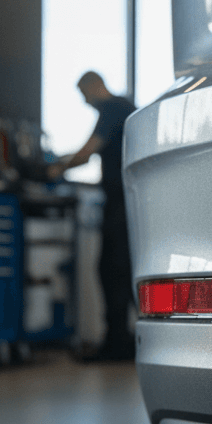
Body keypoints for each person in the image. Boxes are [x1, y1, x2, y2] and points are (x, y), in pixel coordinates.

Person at [48, 72, 136, 361]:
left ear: (94, 86)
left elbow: (87, 153)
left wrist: (56, 168)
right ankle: (124, 339)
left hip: (122, 202)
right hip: (129, 200)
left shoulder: (113, 108)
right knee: (121, 268)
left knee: (113, 269)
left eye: (85, 95)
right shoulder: (125, 107)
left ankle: (118, 344)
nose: (85, 102)